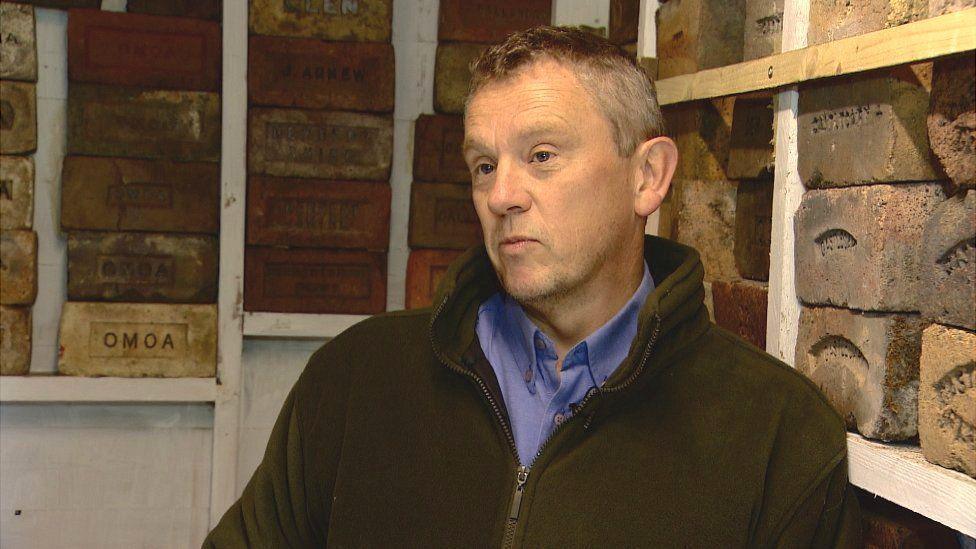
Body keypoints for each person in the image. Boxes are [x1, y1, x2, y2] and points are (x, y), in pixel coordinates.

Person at [205, 26, 861, 547]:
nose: (501, 194)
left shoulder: (780, 437)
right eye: (484, 164)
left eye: (541, 155)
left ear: (648, 176)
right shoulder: (357, 379)